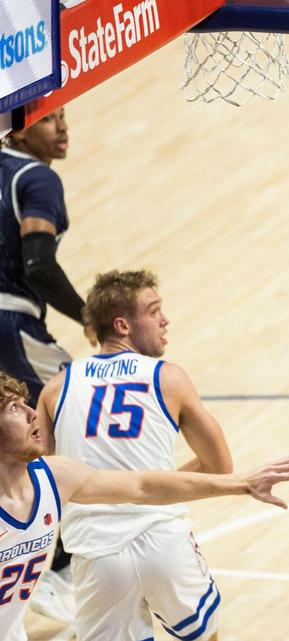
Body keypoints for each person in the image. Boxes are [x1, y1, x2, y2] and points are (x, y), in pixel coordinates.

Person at [0, 371, 289, 641]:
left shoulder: (54, 477)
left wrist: (241, 483)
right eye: (14, 407)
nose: (32, 414)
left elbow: (142, 486)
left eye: (27, 403)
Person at [36, 269, 239, 641]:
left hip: (94, 550)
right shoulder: (168, 377)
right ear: (123, 325)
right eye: (154, 310)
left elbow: (43, 483)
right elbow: (221, 467)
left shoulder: (55, 388)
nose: (165, 320)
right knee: (203, 635)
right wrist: (154, 485)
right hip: (162, 538)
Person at [1, 107, 89, 625]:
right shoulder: (36, 178)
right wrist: (89, 318)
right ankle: (53, 563)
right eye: (49, 117)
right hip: (11, 322)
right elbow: (38, 262)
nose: (63, 127)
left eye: (64, 116)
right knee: (78, 404)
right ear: (18, 127)